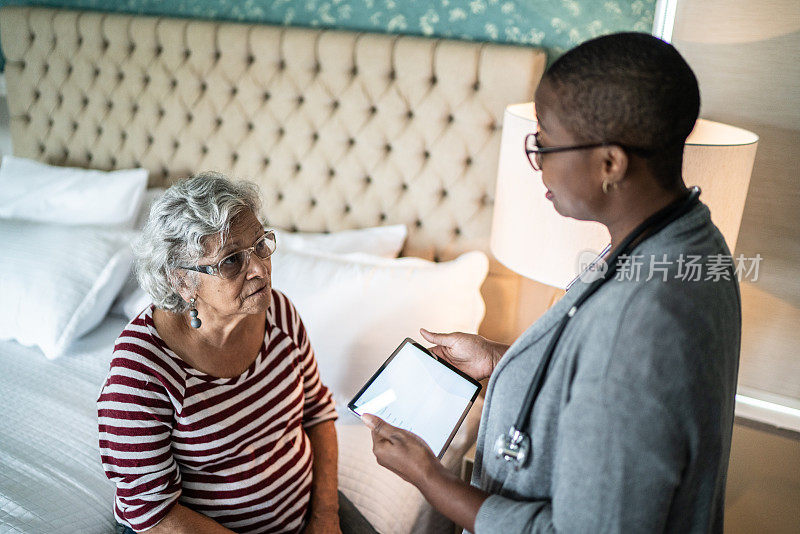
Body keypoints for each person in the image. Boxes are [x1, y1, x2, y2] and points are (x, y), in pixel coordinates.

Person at [362, 32, 741, 533]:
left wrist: (431, 478)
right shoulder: (685, 237)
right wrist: (501, 361)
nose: (536, 159)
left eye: (545, 142)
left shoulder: (643, 321)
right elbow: (599, 386)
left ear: (610, 163)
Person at [98, 173, 375, 534]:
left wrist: (325, 516)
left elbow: (318, 412)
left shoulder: (278, 313)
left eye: (261, 245)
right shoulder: (139, 373)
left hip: (310, 516)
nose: (260, 269)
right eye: (231, 261)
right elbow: (154, 515)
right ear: (182, 281)